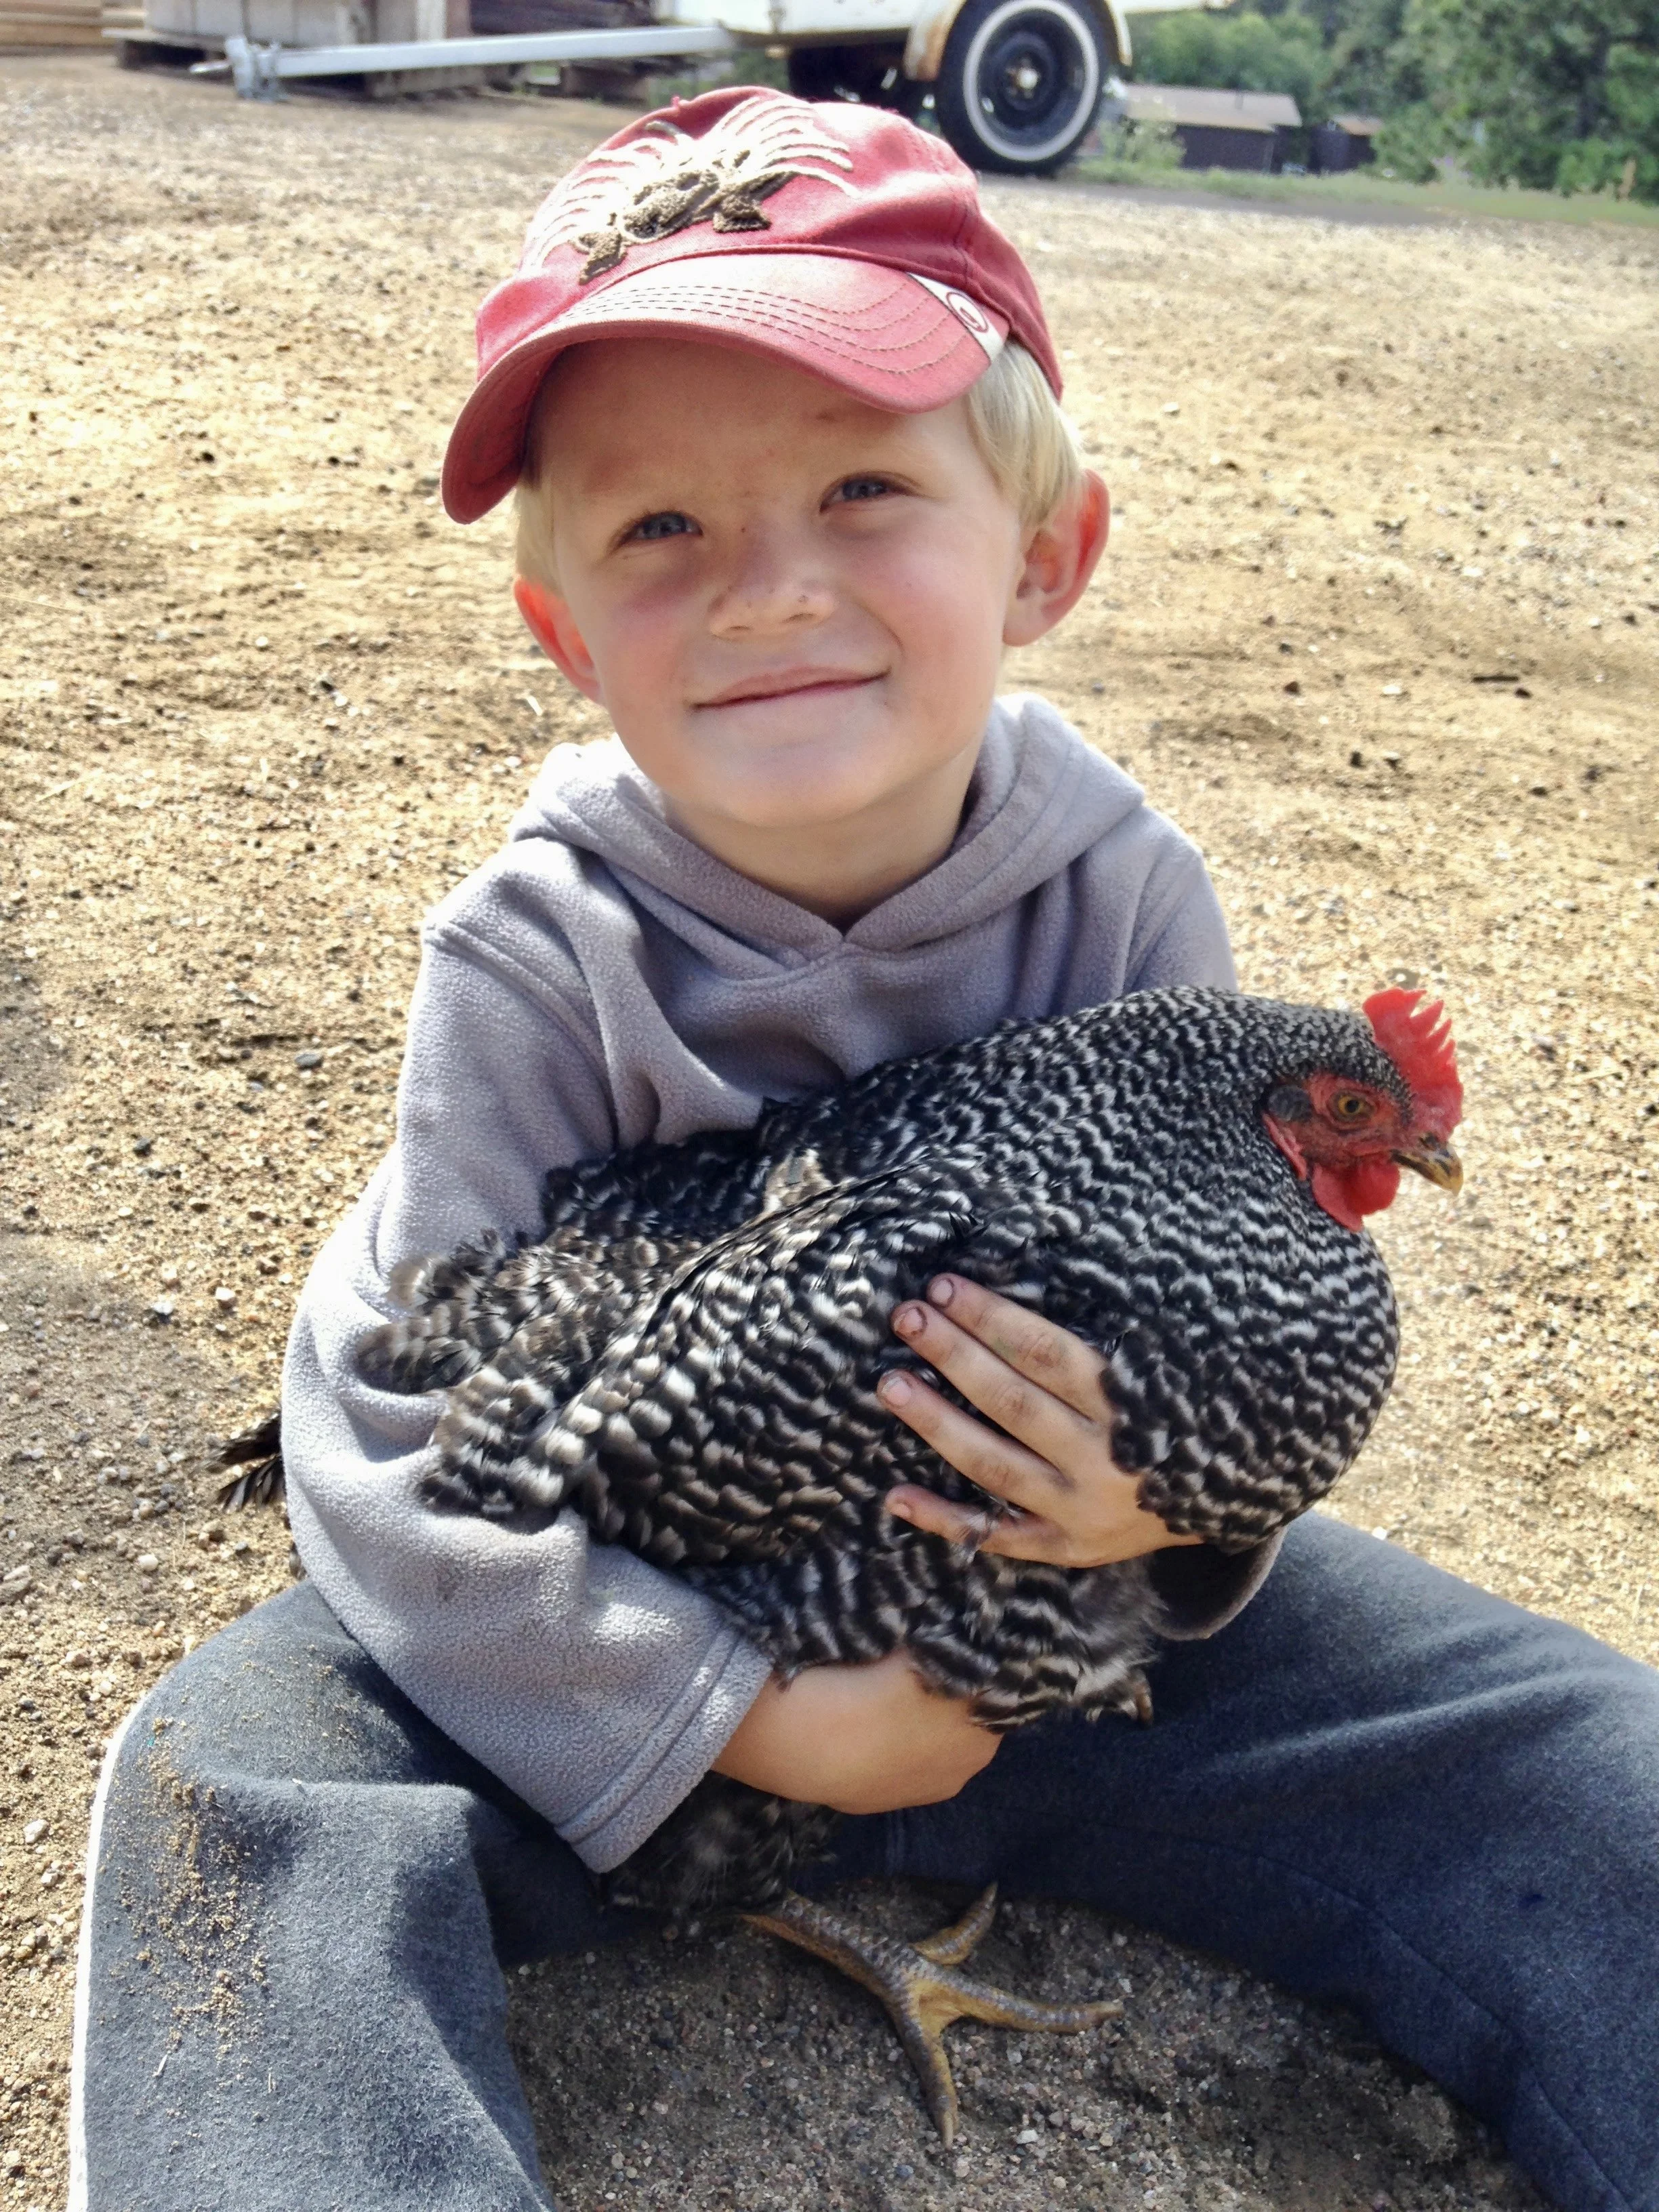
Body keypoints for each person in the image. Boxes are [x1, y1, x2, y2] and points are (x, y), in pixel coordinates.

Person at [70, 88, 1658, 2212]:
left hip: (1061, 1627)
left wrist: (1161, 1529)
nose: (767, 591)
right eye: (661, 531)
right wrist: (734, 1708)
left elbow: (1235, 1360)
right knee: (244, 1795)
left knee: (1577, 1761)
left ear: (1049, 555)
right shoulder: (542, 957)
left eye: (859, 486)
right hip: (621, 1628)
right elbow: (406, 1440)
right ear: (566, 633)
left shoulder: (1123, 903)